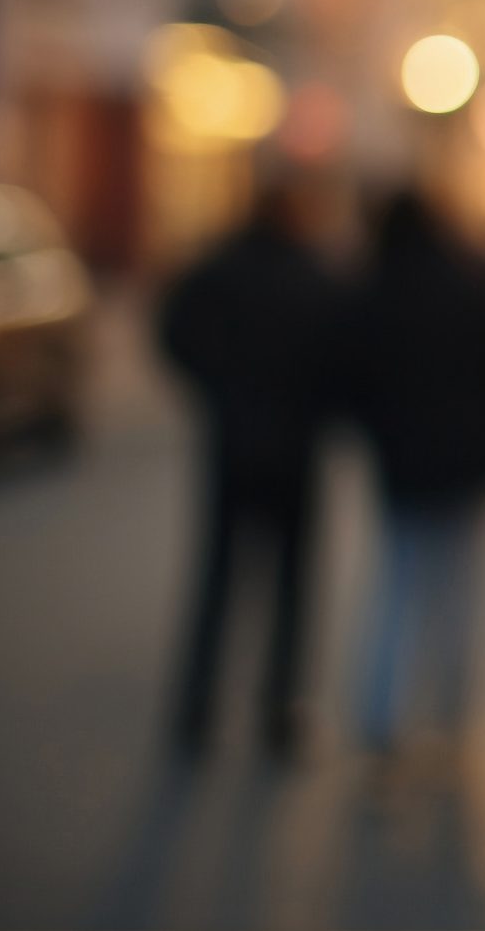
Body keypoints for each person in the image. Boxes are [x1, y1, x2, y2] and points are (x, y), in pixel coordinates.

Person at [158, 177, 343, 757]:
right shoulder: (315, 277)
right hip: (296, 450)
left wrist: (214, 387)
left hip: (233, 445)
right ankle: (280, 710)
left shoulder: (220, 269)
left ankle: (197, 708)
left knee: (218, 581)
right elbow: (344, 357)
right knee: (291, 586)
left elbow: (172, 331)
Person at [346, 189, 485, 755]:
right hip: (467, 463)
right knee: (460, 591)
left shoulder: (373, 291)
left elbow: (347, 376)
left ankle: (384, 716)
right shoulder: (471, 284)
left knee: (399, 586)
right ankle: (452, 717)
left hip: (400, 464)